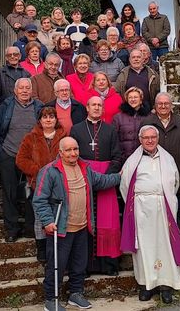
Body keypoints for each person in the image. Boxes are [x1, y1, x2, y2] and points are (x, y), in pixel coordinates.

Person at [33, 136, 121, 311]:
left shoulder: (84, 168)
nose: (73, 153)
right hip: (61, 229)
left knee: (79, 264)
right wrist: (48, 221)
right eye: (68, 150)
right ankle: (51, 299)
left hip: (82, 227)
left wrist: (121, 177)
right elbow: (39, 200)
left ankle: (76, 294)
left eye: (75, 149)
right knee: (56, 265)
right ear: (60, 152)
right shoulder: (50, 171)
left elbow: (102, 181)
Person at [119, 125, 180, 304]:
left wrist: (162, 199)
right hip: (141, 209)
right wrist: (137, 203)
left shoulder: (168, 159)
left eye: (153, 137)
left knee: (164, 245)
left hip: (162, 208)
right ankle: (146, 286)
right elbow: (125, 186)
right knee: (144, 247)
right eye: (146, 138)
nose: (150, 140)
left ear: (157, 138)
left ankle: (166, 287)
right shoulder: (132, 161)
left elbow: (174, 183)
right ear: (140, 140)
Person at [70, 96, 124, 277]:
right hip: (83, 181)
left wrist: (106, 177)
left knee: (107, 221)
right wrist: (87, 175)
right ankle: (84, 267)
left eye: (100, 105)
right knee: (84, 223)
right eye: (93, 104)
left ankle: (109, 265)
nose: (96, 108)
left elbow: (117, 155)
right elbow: (72, 155)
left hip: (107, 180)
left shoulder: (110, 129)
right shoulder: (76, 130)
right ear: (87, 107)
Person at [0, 78, 44, 242]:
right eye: (21, 88)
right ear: (15, 91)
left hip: (32, 157)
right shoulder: (5, 107)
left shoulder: (39, 107)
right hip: (9, 154)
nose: (25, 91)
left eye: (28, 88)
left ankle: (30, 227)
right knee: (9, 192)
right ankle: (12, 229)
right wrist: (0, 152)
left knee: (32, 192)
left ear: (32, 90)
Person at [16, 106, 67, 263]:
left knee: (60, 216)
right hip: (38, 183)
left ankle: (57, 248)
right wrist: (38, 171)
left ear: (56, 119)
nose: (48, 119)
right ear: (40, 120)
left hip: (60, 183)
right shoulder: (30, 137)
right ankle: (42, 249)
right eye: (45, 117)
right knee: (40, 218)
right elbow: (21, 159)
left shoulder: (63, 135)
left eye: (51, 116)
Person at [141, 93, 180, 230]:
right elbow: (140, 149)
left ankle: (175, 245)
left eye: (166, 103)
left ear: (171, 105)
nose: (163, 106)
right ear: (155, 105)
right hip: (153, 176)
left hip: (175, 175)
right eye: (160, 104)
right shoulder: (146, 123)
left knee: (176, 208)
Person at [112, 87, 151, 160]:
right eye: (130, 97)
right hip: (123, 159)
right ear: (127, 100)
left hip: (144, 158)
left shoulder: (148, 117)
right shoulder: (118, 118)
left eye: (135, 97)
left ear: (141, 100)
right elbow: (114, 139)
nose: (133, 99)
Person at [0, 46, 31, 111]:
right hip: (5, 110)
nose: (12, 57)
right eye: (9, 55)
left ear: (19, 56)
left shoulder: (27, 74)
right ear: (6, 57)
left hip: (23, 110)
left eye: (15, 54)